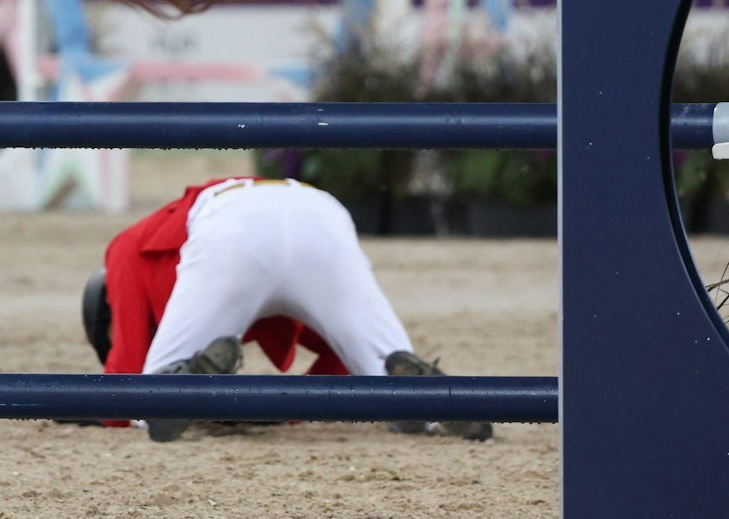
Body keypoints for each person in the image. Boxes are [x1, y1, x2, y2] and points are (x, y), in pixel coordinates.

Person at [85, 175, 494, 442]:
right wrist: (294, 407)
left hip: (234, 227)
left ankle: (188, 387)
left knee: (151, 396)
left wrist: (94, 412)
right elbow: (336, 353)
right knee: (387, 373)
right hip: (320, 213)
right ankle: (423, 408)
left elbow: (123, 374)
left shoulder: (122, 252)